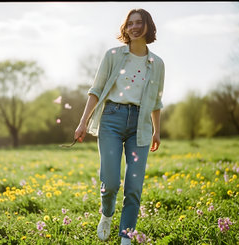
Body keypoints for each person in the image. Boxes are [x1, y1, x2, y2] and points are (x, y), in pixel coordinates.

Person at [73, 8, 165, 245]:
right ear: (125, 28)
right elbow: (95, 90)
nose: (134, 27)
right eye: (130, 23)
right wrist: (83, 122)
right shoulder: (113, 55)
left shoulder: (157, 64)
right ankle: (107, 214)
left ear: (148, 27)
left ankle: (126, 238)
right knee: (111, 182)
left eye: (139, 23)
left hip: (140, 126)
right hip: (111, 120)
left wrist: (156, 130)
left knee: (134, 187)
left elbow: (156, 101)